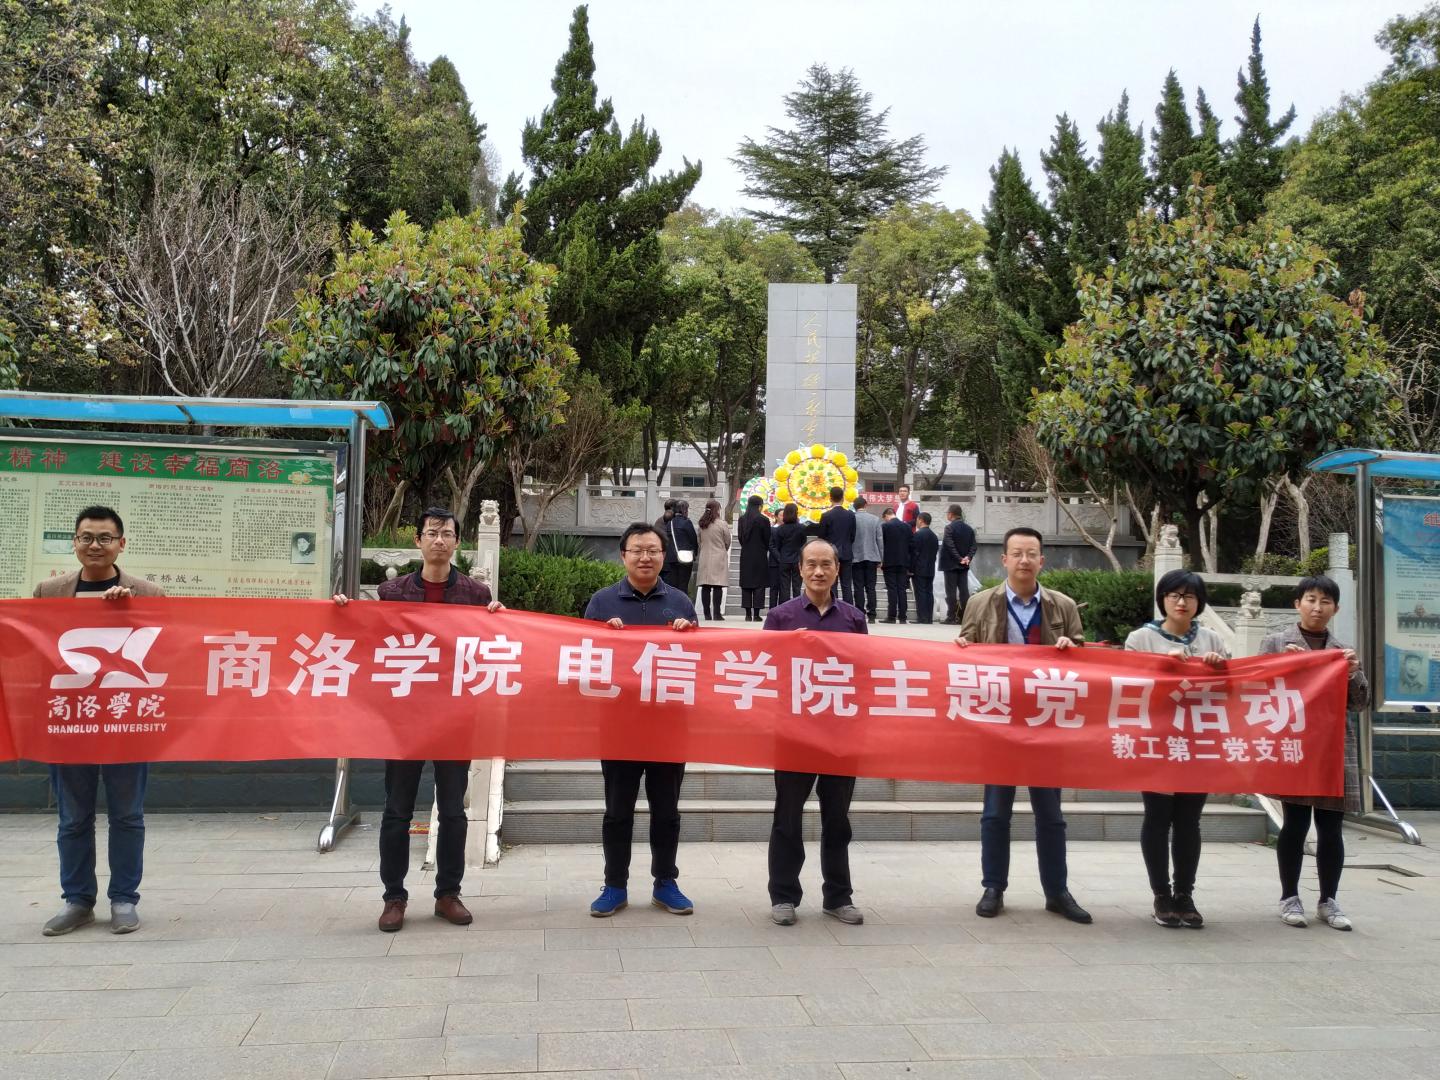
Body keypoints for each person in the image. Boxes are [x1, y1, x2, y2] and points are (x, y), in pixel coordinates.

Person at [334, 507, 504, 933]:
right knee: (397, 810)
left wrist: (499, 619)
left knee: (454, 810)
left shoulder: (475, 594)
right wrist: (343, 613)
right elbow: (370, 640)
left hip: (454, 719)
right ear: (418, 540)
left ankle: (448, 894)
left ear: (457, 542)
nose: (439, 540)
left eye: (447, 534)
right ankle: (394, 897)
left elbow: (488, 646)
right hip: (404, 720)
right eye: (432, 533)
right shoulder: (392, 591)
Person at [36, 506, 165, 937]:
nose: (95, 545)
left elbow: (166, 650)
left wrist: (128, 612)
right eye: (87, 537)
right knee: (73, 818)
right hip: (70, 722)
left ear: (121, 544)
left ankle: (124, 899)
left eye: (105, 538)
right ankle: (77, 901)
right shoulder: (49, 592)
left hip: (126, 721)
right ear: (75, 543)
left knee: (127, 815)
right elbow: (34, 650)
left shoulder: (147, 593)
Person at [956, 526, 1091, 924]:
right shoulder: (980, 603)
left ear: (1041, 560)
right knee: (996, 812)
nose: (1024, 560)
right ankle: (993, 887)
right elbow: (964, 654)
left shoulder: (1062, 606)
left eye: (1031, 553)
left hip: (1046, 722)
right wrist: (961, 648)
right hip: (999, 722)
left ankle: (1057, 891)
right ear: (1004, 559)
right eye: (1017, 553)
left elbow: (1084, 658)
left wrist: (1072, 648)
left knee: (1051, 814)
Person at [583, 523, 699, 918]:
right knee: (618, 811)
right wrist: (603, 637)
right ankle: (614, 885)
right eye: (637, 550)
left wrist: (689, 635)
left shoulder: (681, 603)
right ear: (624, 556)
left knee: (667, 811)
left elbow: (699, 665)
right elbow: (586, 664)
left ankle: (665, 883)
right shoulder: (602, 603)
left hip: (669, 727)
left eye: (653, 550)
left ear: (664, 556)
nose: (645, 557)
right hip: (619, 727)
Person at [763, 538, 868, 927]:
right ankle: (783, 895)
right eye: (812, 564)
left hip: (841, 736)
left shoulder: (854, 619)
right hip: (794, 735)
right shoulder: (781, 618)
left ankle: (838, 897)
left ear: (837, 569)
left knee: (837, 819)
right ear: (800, 569)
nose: (819, 571)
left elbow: (865, 673)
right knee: (787, 817)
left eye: (826, 564)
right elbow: (766, 671)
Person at [1262, 575, 1369, 932]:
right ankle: (1289, 897)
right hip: (1295, 744)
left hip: (1334, 747)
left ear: (1336, 609)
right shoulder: (1277, 642)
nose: (1317, 607)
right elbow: (1257, 688)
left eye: (1325, 601)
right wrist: (1282, 665)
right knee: (1295, 823)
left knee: (1331, 826)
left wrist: (1353, 673)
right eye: (1310, 599)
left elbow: (1360, 703)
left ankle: (1328, 900)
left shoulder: (1342, 651)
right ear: (1297, 604)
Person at [1123, 569, 1229, 930]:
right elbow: (1126, 686)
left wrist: (1219, 669)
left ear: (1200, 602)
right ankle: (1161, 894)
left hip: (1198, 741)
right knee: (1157, 817)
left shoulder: (1213, 639)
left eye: (1189, 596)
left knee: (1189, 820)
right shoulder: (1141, 638)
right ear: (1162, 599)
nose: (1181, 602)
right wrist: (1161, 665)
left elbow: (1231, 691)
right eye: (1174, 595)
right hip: (1156, 740)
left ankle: (1185, 894)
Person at [818, 485, 857, 605]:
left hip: (830, 554)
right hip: (846, 552)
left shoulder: (826, 516)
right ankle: (848, 610)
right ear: (843, 498)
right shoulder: (850, 515)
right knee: (846, 585)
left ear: (830, 498)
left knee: (831, 583)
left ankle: (833, 609)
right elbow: (852, 535)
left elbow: (821, 537)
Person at [939, 504, 977, 625]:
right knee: (964, 591)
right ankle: (965, 617)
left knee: (951, 591)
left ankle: (951, 617)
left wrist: (959, 558)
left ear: (951, 514)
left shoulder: (949, 528)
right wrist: (967, 558)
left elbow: (949, 545)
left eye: (947, 513)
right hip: (964, 565)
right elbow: (974, 546)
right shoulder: (969, 529)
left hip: (950, 564)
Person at [737, 495, 772, 622]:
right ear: (759, 506)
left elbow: (740, 538)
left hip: (746, 554)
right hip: (760, 554)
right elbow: (767, 538)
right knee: (759, 584)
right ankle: (756, 614)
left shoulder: (742, 519)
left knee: (746, 584)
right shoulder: (763, 520)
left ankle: (747, 614)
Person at [696, 499, 732, 621]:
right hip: (719, 557)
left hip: (705, 556)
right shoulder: (722, 524)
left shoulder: (702, 524)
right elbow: (727, 541)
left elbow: (699, 541)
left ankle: (707, 614)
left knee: (705, 586)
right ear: (717, 510)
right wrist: (722, 548)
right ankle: (717, 613)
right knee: (718, 586)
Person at [850, 496, 882, 624]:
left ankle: (860, 613)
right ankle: (872, 614)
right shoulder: (875, 519)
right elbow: (879, 540)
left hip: (855, 557)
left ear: (854, 506)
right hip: (872, 556)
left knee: (858, 587)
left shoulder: (852, 519)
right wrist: (881, 557)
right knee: (871, 587)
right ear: (865, 505)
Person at [880, 507, 912, 623]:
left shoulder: (885, 526)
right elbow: (911, 545)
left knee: (892, 589)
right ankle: (903, 617)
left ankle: (892, 616)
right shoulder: (907, 526)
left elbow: (882, 544)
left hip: (889, 562)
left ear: (886, 516)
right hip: (903, 562)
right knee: (902, 589)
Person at [770, 502, 806, 603]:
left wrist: (780, 556)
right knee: (797, 587)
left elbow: (778, 545)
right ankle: (797, 607)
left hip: (784, 559)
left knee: (784, 587)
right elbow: (803, 543)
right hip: (797, 560)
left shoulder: (780, 529)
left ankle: (785, 607)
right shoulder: (802, 528)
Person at [662, 499, 699, 595]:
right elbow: (693, 539)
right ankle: (682, 603)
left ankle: (673, 603)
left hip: (671, 558)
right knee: (683, 584)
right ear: (684, 510)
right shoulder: (686, 522)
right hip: (685, 558)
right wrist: (695, 553)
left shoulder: (669, 523)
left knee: (673, 585)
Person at [910, 512, 940, 624]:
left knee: (920, 592)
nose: (916, 522)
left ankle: (922, 617)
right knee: (929, 592)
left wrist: (911, 568)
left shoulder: (918, 535)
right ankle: (929, 617)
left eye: (917, 520)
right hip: (930, 567)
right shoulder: (934, 536)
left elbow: (914, 554)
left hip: (919, 568)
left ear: (921, 520)